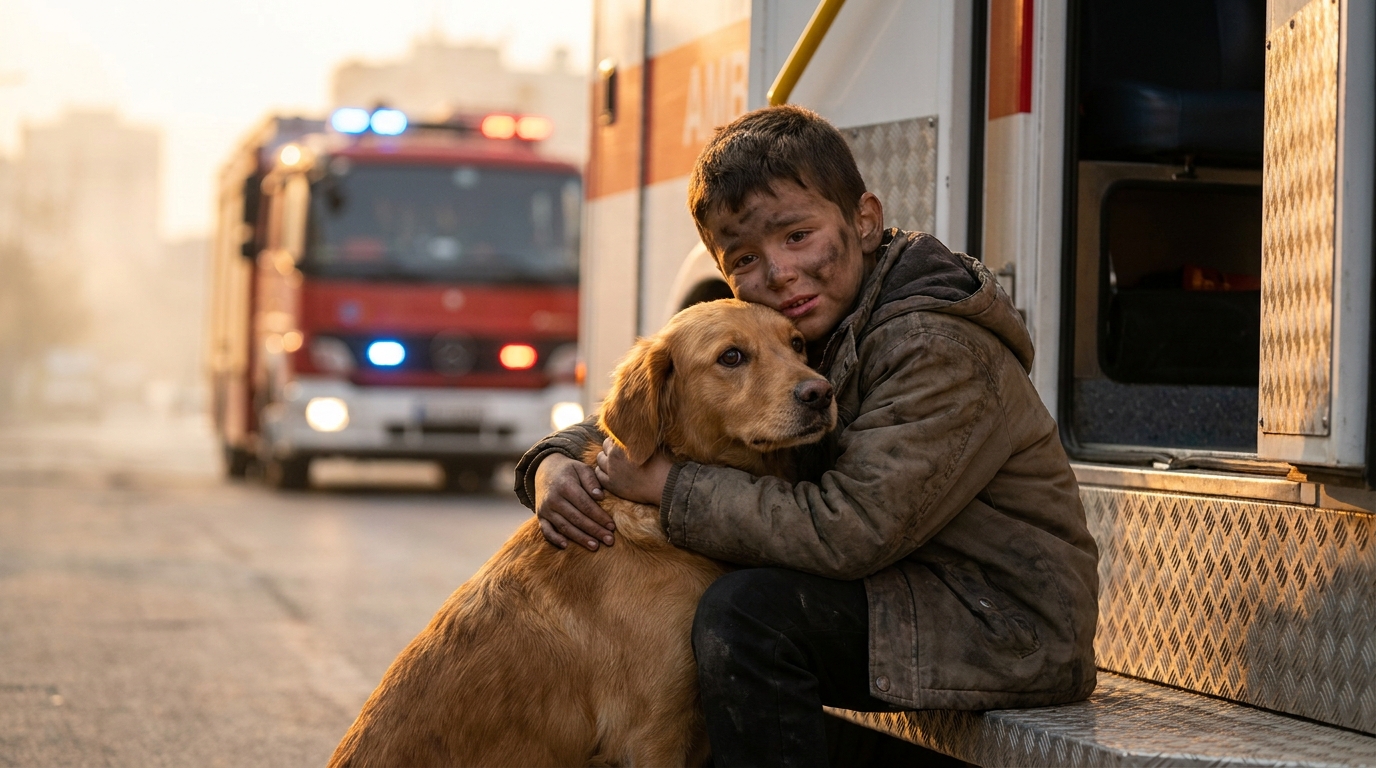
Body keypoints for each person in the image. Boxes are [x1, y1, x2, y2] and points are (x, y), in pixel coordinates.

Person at [513, 105, 1099, 767]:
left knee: (750, 615)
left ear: (864, 220)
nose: (780, 272)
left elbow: (848, 531)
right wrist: (555, 461)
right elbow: (673, 406)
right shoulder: (813, 329)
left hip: (1006, 626)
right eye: (746, 259)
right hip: (911, 590)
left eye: (797, 236)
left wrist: (669, 488)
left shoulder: (937, 347)